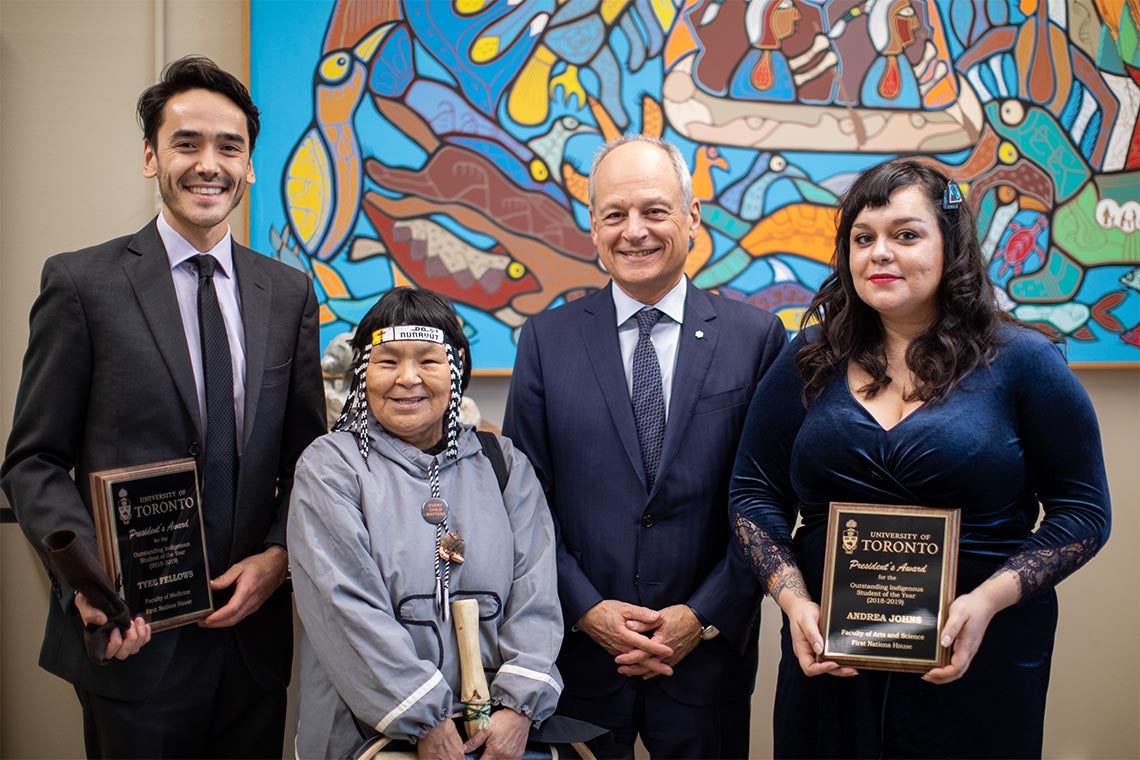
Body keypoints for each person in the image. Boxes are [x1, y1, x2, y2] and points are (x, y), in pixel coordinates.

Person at [729, 158, 1111, 758]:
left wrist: (988, 601)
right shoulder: (808, 356)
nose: (879, 253)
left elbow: (1084, 512)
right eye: (863, 238)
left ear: (950, 246)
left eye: (905, 235)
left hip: (977, 653)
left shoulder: (1025, 361)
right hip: (834, 660)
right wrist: (792, 598)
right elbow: (752, 493)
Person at [1, 55, 326, 757]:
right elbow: (33, 460)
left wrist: (278, 559)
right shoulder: (82, 284)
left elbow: (309, 460)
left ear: (251, 167)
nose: (208, 164)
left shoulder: (290, 293)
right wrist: (88, 585)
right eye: (187, 143)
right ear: (151, 157)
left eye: (229, 147)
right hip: (133, 644)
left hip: (251, 647)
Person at [503, 135, 787, 758]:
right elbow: (524, 503)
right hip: (577, 655)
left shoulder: (756, 338)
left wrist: (703, 614)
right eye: (614, 214)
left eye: (655, 211)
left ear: (691, 218)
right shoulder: (546, 342)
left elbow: (770, 501)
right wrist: (586, 609)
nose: (634, 231)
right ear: (593, 228)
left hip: (706, 659)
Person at [289, 287, 564, 760]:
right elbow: (345, 607)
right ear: (362, 372)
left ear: (456, 365)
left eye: (428, 361)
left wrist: (518, 710)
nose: (407, 378)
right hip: (369, 737)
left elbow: (535, 593)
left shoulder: (503, 464)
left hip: (495, 738)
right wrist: (425, 720)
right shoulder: (331, 467)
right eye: (387, 361)